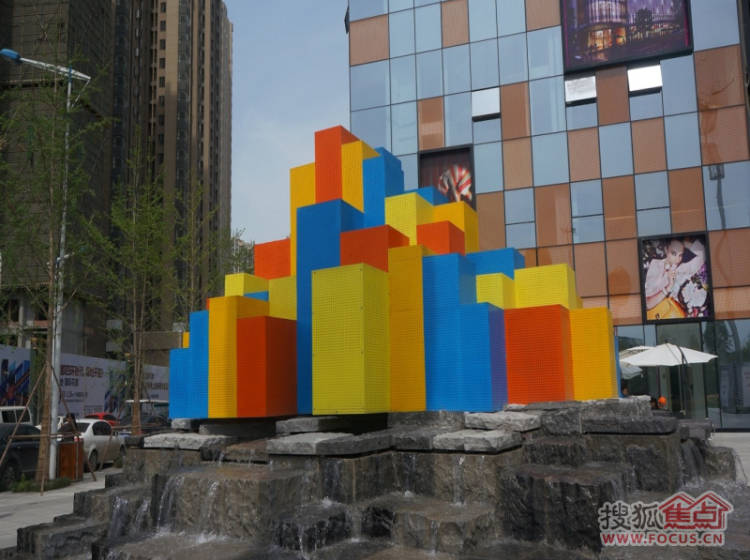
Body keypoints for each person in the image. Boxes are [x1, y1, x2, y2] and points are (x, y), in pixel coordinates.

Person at [644, 238, 705, 320]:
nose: (677, 259)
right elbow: (647, 304)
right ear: (666, 250)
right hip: (658, 314)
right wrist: (669, 286)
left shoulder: (681, 269)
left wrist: (683, 243)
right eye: (674, 253)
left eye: (680, 255)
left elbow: (702, 254)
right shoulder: (656, 265)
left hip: (676, 313)